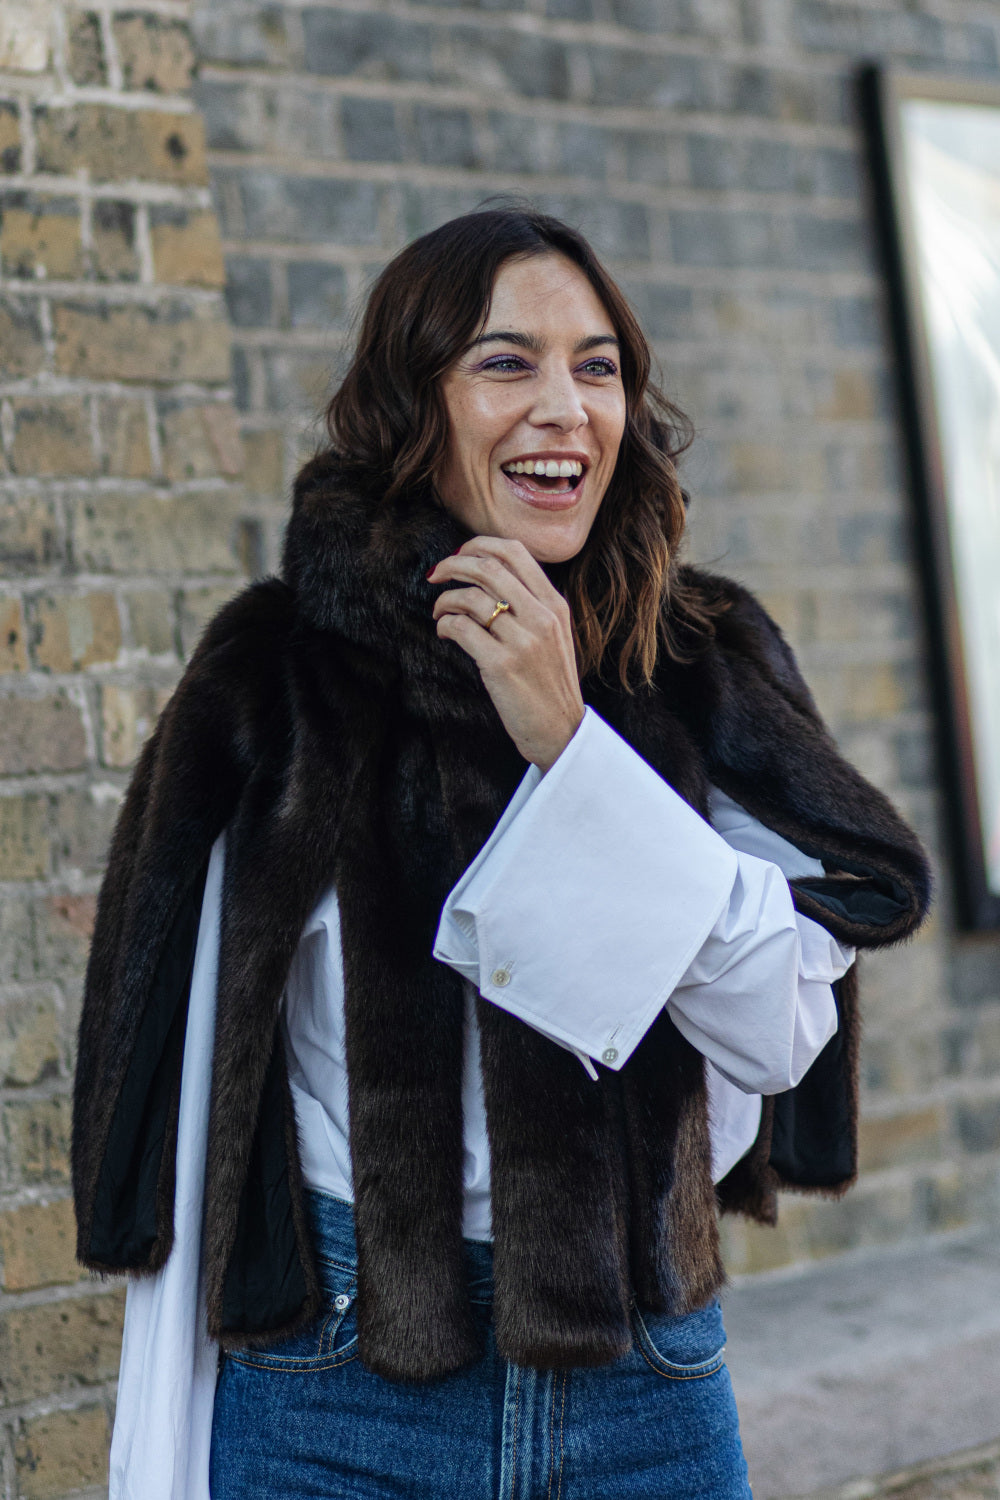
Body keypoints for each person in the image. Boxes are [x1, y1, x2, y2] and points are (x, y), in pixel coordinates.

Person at [72, 208, 932, 1500]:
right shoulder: (280, 673)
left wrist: (569, 748)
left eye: (597, 367)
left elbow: (772, 1026)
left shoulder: (696, 663)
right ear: (411, 407)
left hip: (645, 1393)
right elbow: (162, 1030)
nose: (563, 408)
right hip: (339, 1392)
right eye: (504, 363)